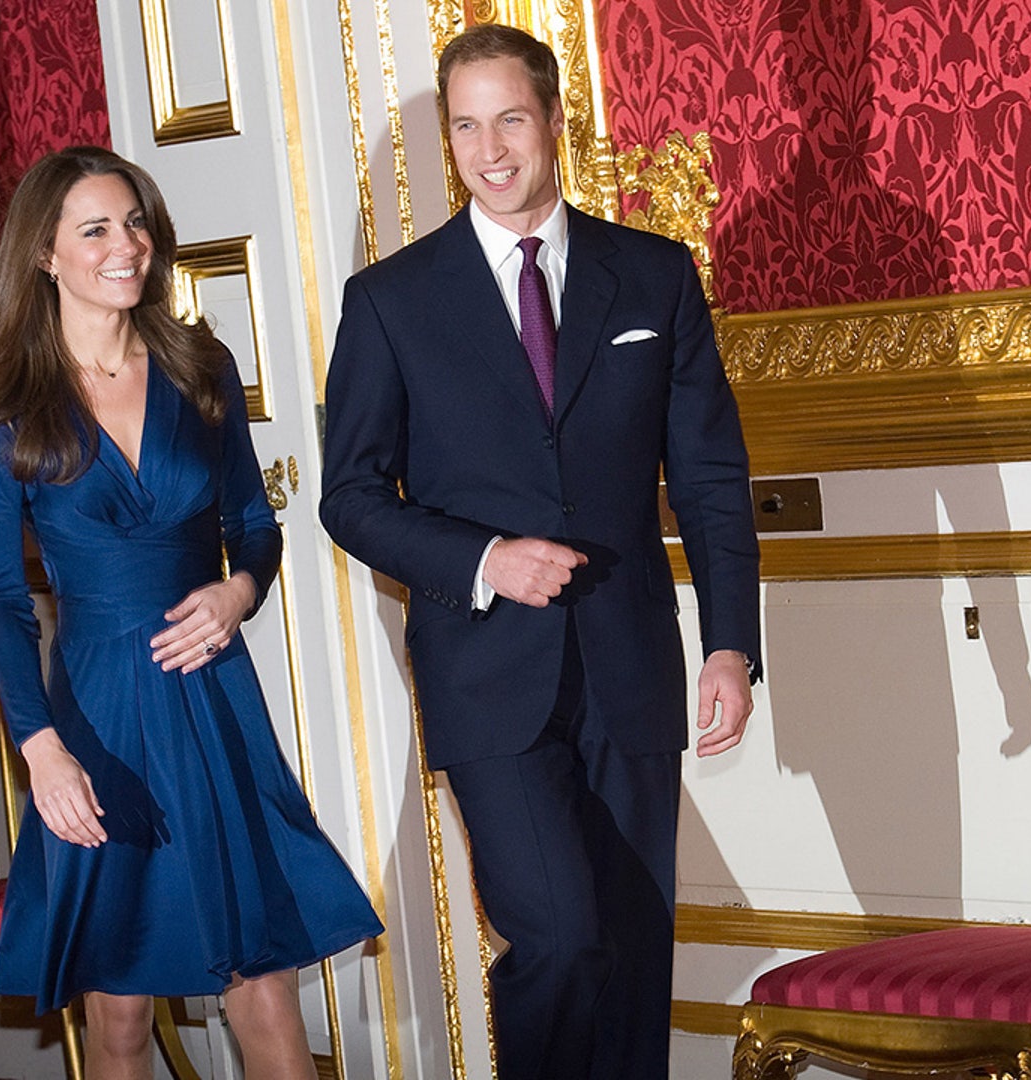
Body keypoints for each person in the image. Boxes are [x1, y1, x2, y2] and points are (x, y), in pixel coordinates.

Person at [319, 24, 760, 1079]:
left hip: (631, 665)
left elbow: (706, 478)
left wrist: (732, 645)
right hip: (487, 678)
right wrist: (483, 561)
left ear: (555, 121)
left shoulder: (652, 276)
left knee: (632, 948)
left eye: (509, 117)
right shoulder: (391, 301)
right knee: (559, 936)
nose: (491, 148)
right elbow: (349, 497)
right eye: (465, 125)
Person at [0, 146, 382, 1080]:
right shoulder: (6, 405)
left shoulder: (201, 366)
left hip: (209, 697)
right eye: (98, 229)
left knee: (257, 977)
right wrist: (40, 749)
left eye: (136, 223)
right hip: (96, 715)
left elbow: (254, 528)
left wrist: (239, 593)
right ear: (45, 254)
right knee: (119, 1008)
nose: (128, 246)